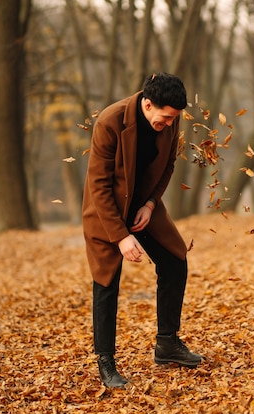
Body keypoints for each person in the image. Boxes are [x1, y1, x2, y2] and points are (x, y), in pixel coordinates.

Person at [82, 72, 202, 388]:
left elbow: (169, 165)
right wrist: (121, 237)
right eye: (163, 118)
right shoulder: (110, 121)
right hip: (105, 208)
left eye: (173, 119)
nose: (168, 124)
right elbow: (98, 184)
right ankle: (106, 363)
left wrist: (150, 203)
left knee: (175, 260)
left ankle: (167, 344)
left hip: (143, 205)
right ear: (147, 104)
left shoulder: (171, 117)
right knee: (106, 280)